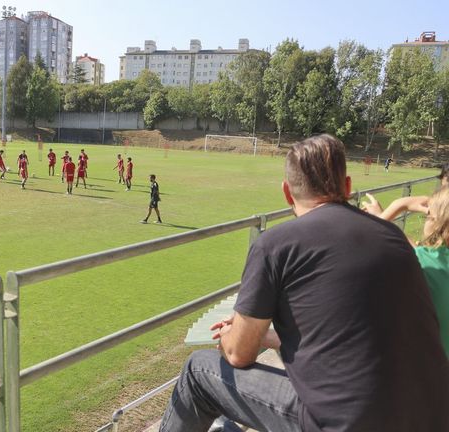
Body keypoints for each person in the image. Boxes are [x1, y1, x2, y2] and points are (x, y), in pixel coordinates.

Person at [159, 134, 449, 432]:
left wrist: (234, 336)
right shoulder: (393, 238)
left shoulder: (275, 245)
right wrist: (265, 336)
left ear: (287, 193)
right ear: (347, 187)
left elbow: (237, 354)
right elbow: (348, 338)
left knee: (198, 370)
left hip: (345, 424)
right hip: (433, 417)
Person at [362, 186, 449, 358]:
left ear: (435, 221)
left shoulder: (419, 261)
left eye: (428, 216)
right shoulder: (428, 260)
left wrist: (398, 205)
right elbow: (417, 251)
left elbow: (359, 239)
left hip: (430, 371)